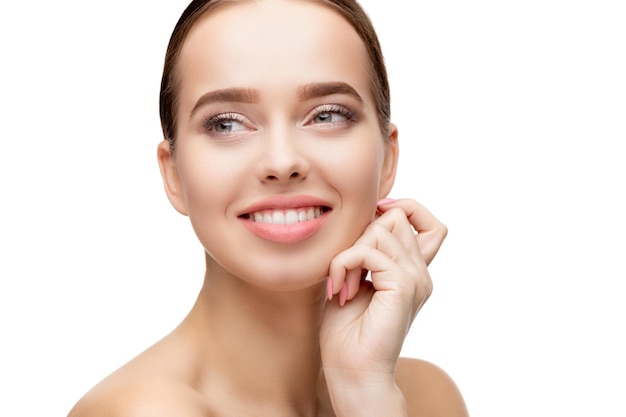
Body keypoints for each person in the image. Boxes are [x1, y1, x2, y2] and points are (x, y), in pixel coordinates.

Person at [68, 0, 468, 416]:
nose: (282, 162)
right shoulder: (143, 411)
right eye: (226, 123)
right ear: (174, 175)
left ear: (386, 157)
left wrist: (364, 390)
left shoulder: (425, 399)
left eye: (327, 115)